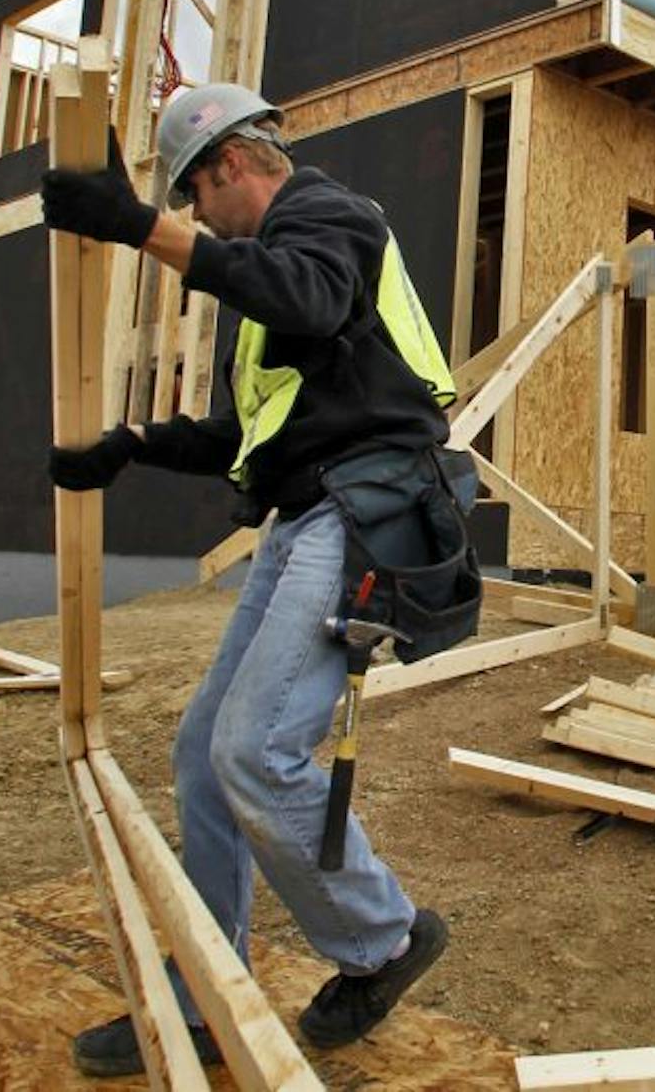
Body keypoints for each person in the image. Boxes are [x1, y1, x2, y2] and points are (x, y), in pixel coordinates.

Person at [41, 82, 460, 1076]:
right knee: (203, 754)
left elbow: (304, 292)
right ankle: (202, 992)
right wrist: (135, 444)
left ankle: (385, 936)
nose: (194, 219)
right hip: (305, 510)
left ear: (228, 167)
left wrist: (143, 230)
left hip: (364, 504)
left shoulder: (330, 213)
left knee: (256, 746)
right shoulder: (270, 285)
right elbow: (253, 433)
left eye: (192, 197)